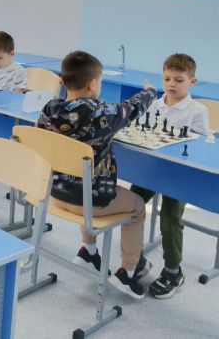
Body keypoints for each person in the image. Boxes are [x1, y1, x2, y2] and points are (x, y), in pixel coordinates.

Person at [37, 50, 156, 299]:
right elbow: (131, 108)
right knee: (137, 207)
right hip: (90, 201)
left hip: (54, 193)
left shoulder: (49, 109)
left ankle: (89, 251)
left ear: (63, 81)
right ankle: (128, 273)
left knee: (83, 183)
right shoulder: (101, 113)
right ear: (93, 84)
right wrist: (150, 91)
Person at [131, 53, 210, 299]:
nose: (171, 84)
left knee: (170, 215)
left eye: (178, 79)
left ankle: (173, 271)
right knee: (131, 205)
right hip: (153, 168)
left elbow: (198, 148)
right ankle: (135, 259)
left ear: (192, 82)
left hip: (178, 174)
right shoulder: (156, 104)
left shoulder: (198, 111)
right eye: (167, 79)